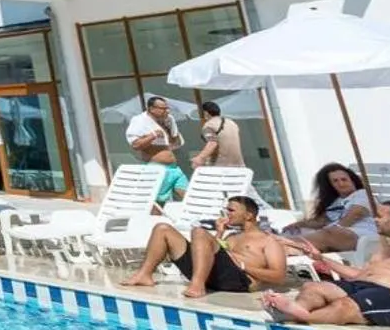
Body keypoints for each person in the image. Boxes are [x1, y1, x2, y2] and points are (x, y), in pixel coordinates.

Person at [261, 203, 390, 328]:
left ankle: (297, 316)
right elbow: (358, 276)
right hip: (367, 288)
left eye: (380, 216)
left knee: (344, 307)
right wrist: (320, 258)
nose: (375, 220)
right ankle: (297, 309)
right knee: (313, 287)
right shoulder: (383, 250)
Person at [121, 195, 288, 298]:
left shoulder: (268, 241)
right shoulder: (232, 236)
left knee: (199, 232)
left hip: (239, 282)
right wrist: (219, 233)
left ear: (249, 215)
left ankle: (197, 285)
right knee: (162, 229)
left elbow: (279, 276)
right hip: (215, 276)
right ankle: (144, 275)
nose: (226, 214)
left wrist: (244, 267)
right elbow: (211, 252)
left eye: (231, 210)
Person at [277, 163, 377, 255]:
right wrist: (299, 224)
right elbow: (321, 222)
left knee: (332, 233)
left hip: (362, 236)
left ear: (353, 180)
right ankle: (286, 247)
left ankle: (282, 243)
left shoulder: (362, 194)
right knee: (302, 231)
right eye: (335, 181)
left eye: (344, 179)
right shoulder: (335, 202)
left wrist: (333, 228)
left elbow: (355, 214)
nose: (341, 184)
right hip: (335, 236)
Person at [125, 95, 188, 204]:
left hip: (174, 168)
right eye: (163, 109)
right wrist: (152, 136)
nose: (166, 111)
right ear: (152, 109)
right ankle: (155, 220)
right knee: (158, 203)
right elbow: (135, 144)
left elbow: (174, 143)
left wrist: (171, 131)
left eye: (167, 108)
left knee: (188, 197)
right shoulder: (139, 120)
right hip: (156, 168)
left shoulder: (169, 119)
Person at [192, 99, 244, 170]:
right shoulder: (232, 123)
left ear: (206, 113)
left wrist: (200, 158)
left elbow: (212, 143)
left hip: (222, 167)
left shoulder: (209, 125)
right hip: (240, 165)